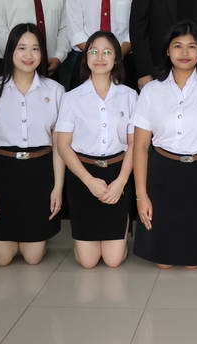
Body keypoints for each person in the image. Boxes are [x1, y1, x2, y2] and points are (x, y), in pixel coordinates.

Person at [132, 21, 197, 268]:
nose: (185, 53)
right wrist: (141, 196)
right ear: (167, 51)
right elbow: (140, 147)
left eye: (192, 46)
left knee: (194, 262)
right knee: (163, 263)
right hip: (162, 174)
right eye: (177, 46)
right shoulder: (151, 90)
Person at [0, 23, 64, 266]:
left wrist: (57, 188)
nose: (29, 55)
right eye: (22, 48)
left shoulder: (56, 91)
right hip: (1, 173)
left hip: (39, 172)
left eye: (35, 48)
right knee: (2, 259)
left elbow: (59, 147)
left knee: (33, 257)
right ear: (10, 51)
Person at [55, 30, 137, 268]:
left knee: (113, 261)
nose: (100, 57)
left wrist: (121, 182)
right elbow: (63, 145)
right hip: (83, 175)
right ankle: (85, 243)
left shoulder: (129, 96)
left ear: (116, 59)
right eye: (94, 51)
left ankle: (120, 235)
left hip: (117, 173)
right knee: (88, 262)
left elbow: (134, 144)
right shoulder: (72, 98)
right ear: (85, 57)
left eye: (107, 52)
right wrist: (89, 181)